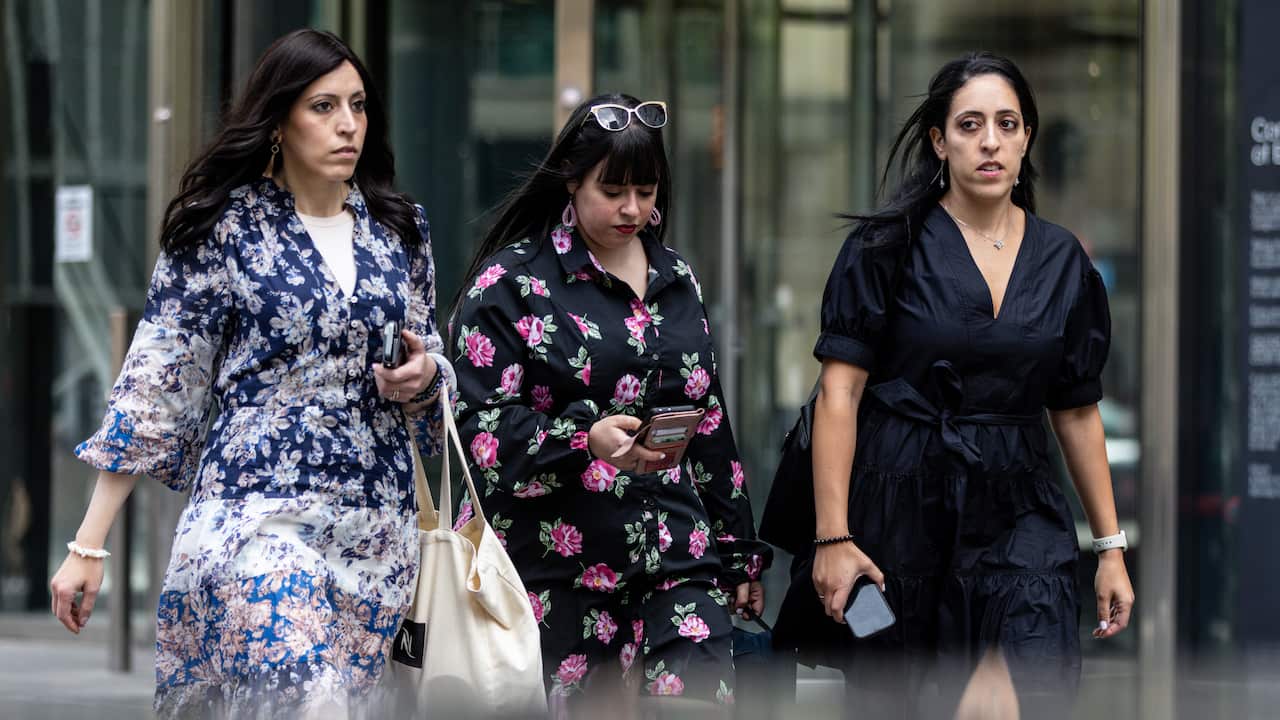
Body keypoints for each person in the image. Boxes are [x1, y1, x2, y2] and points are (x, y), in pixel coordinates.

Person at [48, 29, 454, 717]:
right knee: (306, 697)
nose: (348, 124)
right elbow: (156, 387)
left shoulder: (398, 231)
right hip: (254, 520)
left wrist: (426, 373)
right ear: (278, 120)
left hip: (373, 528)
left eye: (357, 105)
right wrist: (89, 545)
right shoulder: (223, 230)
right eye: (323, 107)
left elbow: (429, 354)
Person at [771, 52, 1136, 718]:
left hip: (1021, 509)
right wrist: (832, 538)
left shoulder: (1062, 262)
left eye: (1007, 123)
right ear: (939, 141)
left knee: (1031, 674)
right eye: (969, 125)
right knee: (896, 694)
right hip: (895, 513)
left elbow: (1078, 411)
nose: (989, 141)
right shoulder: (885, 248)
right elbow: (839, 396)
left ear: (1028, 136)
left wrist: (1109, 549)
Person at [449, 94, 770, 716]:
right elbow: (478, 431)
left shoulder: (677, 277)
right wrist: (583, 440)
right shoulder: (512, 284)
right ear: (571, 181)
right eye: (613, 190)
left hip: (678, 559)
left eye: (646, 191)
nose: (632, 210)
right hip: (560, 572)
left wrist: (737, 551)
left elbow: (708, 425)